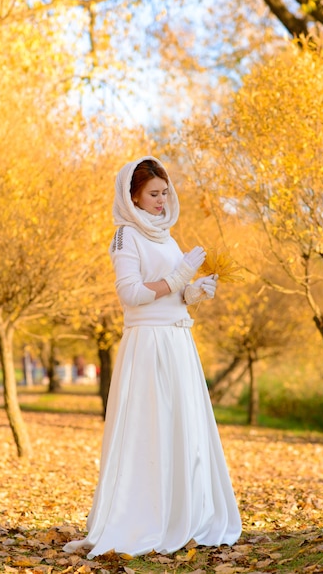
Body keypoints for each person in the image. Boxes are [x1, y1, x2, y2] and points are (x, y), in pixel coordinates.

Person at [64, 156, 241, 558]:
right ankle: (144, 518)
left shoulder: (166, 236)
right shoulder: (126, 237)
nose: (163, 201)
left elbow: (174, 295)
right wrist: (178, 278)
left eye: (165, 193)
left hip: (178, 344)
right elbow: (131, 294)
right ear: (133, 197)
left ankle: (186, 513)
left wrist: (194, 291)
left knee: (183, 427)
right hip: (148, 346)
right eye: (154, 194)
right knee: (150, 428)